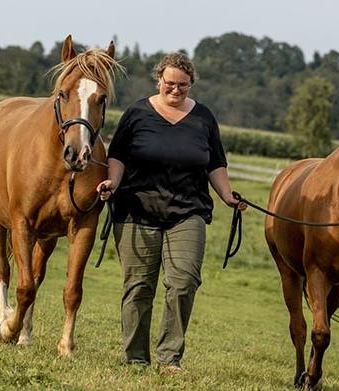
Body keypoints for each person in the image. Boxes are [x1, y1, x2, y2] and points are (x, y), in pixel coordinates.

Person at [96, 52, 245, 373]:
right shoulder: (137, 112)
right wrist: (112, 181)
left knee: (184, 282)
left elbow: (215, 162)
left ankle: (169, 358)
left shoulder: (204, 117)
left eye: (183, 86)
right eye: (170, 84)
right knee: (139, 287)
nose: (176, 91)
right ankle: (136, 357)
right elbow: (118, 155)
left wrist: (227, 195)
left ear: (191, 84)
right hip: (136, 210)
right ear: (158, 80)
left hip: (187, 212)